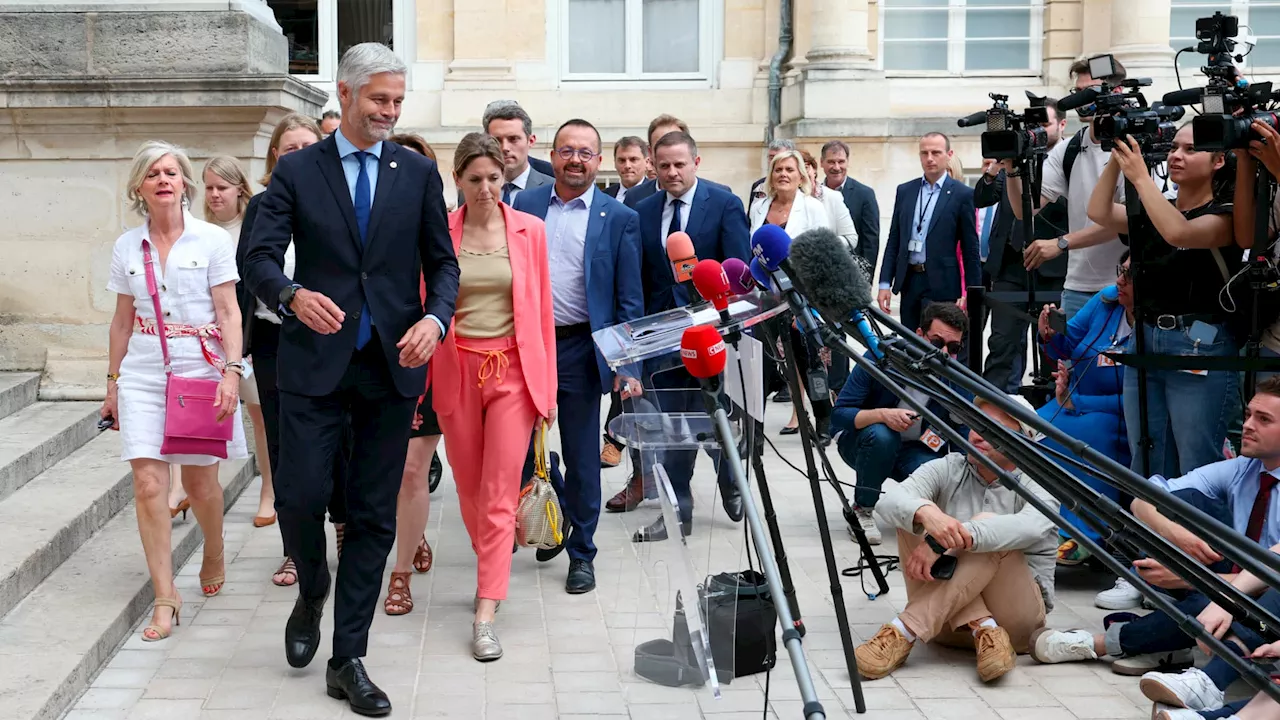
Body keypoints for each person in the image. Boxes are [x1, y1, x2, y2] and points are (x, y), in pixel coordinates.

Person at [243, 43, 460, 716]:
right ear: (345, 94)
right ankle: (312, 588)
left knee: (371, 515)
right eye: (379, 101)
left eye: (397, 102)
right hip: (313, 366)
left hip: (390, 368)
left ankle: (348, 658)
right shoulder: (299, 171)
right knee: (302, 498)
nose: (390, 113)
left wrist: (436, 319)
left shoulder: (416, 174)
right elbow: (257, 253)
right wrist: (289, 295)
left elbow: (443, 264)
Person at [1028, 376, 1280, 679]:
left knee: (1210, 603)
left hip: (1267, 601)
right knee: (1182, 501)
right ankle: (1185, 636)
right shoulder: (1244, 468)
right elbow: (1143, 498)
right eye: (1249, 414)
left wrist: (1193, 579)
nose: (1248, 424)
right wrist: (1175, 535)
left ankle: (1107, 643)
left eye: (1263, 419)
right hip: (1233, 585)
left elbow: (1270, 583)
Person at [102, 140, 247, 642]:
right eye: (154, 174)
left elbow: (229, 312)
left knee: (202, 484)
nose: (165, 179)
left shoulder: (211, 241)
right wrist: (113, 383)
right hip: (143, 370)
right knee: (148, 486)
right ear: (140, 187)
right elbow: (122, 321)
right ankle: (166, 595)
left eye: (172, 172)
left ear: (184, 183)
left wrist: (231, 372)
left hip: (200, 371)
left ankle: (213, 545)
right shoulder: (126, 246)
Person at [432, 132, 556, 660]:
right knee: (469, 486)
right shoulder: (440, 232)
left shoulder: (530, 230)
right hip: (456, 367)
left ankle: (487, 606)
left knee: (502, 489)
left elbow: (544, 312)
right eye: (475, 179)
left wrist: (545, 390)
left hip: (512, 371)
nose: (486, 189)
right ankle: (493, 561)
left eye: (494, 179)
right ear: (458, 180)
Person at [512, 119, 644, 593]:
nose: (575, 159)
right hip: (527, 347)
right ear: (551, 155)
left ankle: (582, 553)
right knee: (521, 452)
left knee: (583, 457)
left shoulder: (619, 218)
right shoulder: (523, 204)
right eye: (566, 150)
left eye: (585, 152)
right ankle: (555, 510)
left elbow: (629, 299)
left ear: (599, 160)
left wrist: (626, 366)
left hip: (580, 351)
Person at [856, 394, 1058, 683]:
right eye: (977, 424)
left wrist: (943, 541)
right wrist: (927, 514)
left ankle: (903, 630)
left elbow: (1030, 527)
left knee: (986, 529)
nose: (978, 434)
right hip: (946, 625)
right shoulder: (950, 466)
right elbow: (888, 500)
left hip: (1018, 625)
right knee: (913, 515)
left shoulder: (1041, 477)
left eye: (992, 428)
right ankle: (982, 627)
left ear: (1022, 439)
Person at [235, 113, 350, 588]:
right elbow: (251, 269)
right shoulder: (262, 206)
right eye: (289, 149)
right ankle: (295, 550)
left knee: (338, 440)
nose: (299, 156)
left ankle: (344, 526)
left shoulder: (336, 199)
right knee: (283, 448)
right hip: (274, 342)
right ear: (275, 157)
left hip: (328, 339)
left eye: (308, 146)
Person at [1087, 124, 1238, 480]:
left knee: (1196, 459)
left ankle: (1202, 536)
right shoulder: (1157, 208)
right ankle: (1152, 534)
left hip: (1199, 342)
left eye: (1189, 149)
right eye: (1173, 147)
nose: (1175, 156)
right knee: (1147, 454)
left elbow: (1179, 232)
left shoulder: (1225, 214)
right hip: (1146, 334)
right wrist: (1117, 159)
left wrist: (1140, 177)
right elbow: (1098, 211)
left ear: (1218, 160)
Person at [632, 130, 750, 540]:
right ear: (654, 164)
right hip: (661, 341)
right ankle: (677, 509)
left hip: (710, 338)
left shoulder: (724, 203)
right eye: (663, 165)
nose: (671, 172)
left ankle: (732, 480)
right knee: (673, 428)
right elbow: (637, 278)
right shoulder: (640, 208)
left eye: (679, 164)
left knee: (716, 420)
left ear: (695, 162)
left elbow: (738, 276)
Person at [832, 302, 971, 544]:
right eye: (937, 343)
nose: (944, 353)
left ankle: (920, 514)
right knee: (882, 436)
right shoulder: (883, 356)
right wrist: (882, 415)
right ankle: (862, 509)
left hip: (917, 449)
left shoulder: (956, 378)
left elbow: (964, 437)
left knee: (939, 471)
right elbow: (840, 414)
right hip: (865, 441)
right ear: (919, 335)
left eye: (954, 347)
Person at [381, 131, 447, 615]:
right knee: (381, 471)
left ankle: (399, 573)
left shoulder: (445, 231)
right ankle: (414, 534)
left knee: (409, 471)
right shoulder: (367, 226)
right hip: (371, 360)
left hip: (433, 362)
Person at [1014, 57, 1131, 320]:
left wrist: (1062, 243)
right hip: (1076, 287)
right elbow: (1026, 210)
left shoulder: (1135, 146)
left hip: (1124, 287)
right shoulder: (1070, 148)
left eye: (1089, 91)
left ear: (1117, 92)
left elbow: (1130, 220)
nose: (1081, 99)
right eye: (1078, 92)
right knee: (1072, 360)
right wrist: (1012, 164)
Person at [1035, 257, 1130, 578]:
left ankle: (1083, 533)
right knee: (1030, 429)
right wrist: (1049, 333)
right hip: (1073, 402)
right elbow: (1067, 343)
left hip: (1116, 414)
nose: (1121, 281)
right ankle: (1041, 520)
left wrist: (1079, 401)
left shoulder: (1159, 324)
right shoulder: (1106, 300)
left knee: (1088, 434)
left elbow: (1141, 397)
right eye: (1121, 271)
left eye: (1130, 276)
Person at [975, 98, 1071, 392]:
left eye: (1045, 124)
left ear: (1062, 125)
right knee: (1002, 343)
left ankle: (1051, 417)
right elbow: (983, 198)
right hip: (1010, 265)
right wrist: (995, 170)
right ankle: (996, 412)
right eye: (1034, 125)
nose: (1038, 131)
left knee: (1053, 349)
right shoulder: (1015, 157)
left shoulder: (1070, 158)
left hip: (1053, 268)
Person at [748, 149, 831, 437]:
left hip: (802, 298)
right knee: (780, 363)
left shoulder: (812, 208)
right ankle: (797, 413)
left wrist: (810, 302)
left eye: (789, 170)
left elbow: (822, 256)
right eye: (778, 169)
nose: (783, 174)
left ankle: (823, 418)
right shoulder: (759, 208)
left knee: (810, 362)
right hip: (768, 298)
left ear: (801, 176)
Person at [877, 132, 982, 334]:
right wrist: (884, 283)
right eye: (924, 153)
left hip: (943, 282)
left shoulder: (962, 194)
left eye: (936, 152)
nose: (930, 158)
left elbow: (970, 249)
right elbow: (894, 240)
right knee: (910, 340)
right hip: (910, 279)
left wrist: (972, 291)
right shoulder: (906, 190)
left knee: (936, 340)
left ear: (949, 154)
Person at [821, 139, 880, 272]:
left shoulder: (865, 194)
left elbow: (870, 241)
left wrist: (866, 278)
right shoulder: (813, 195)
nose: (836, 167)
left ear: (847, 162)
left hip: (852, 275)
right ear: (821, 163)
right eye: (831, 162)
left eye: (841, 161)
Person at [478, 100, 552, 206]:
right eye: (497, 140)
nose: (505, 148)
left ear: (530, 141)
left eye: (513, 139)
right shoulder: (471, 191)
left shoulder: (554, 190)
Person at [604, 135, 650, 206]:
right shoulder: (605, 196)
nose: (627, 166)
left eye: (633, 159)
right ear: (615, 163)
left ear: (647, 162)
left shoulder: (656, 194)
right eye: (622, 160)